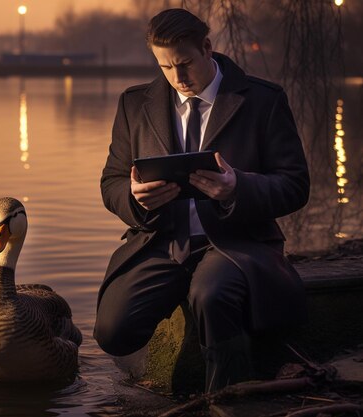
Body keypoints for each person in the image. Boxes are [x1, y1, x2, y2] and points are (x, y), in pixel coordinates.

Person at [93, 8, 310, 392]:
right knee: (112, 331)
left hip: (236, 242)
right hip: (161, 242)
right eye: (165, 67)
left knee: (211, 294)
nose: (178, 78)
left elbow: (294, 185)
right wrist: (135, 197)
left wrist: (237, 188)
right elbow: (111, 181)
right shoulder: (133, 104)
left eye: (184, 63)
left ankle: (227, 396)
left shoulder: (262, 100)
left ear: (207, 48)